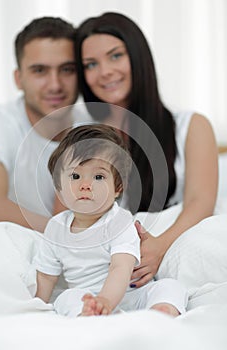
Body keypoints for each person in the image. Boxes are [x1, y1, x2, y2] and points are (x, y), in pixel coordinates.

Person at [75, 12, 219, 288]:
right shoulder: (83, 136)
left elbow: (201, 203)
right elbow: (70, 214)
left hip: (173, 239)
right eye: (91, 64)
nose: (104, 71)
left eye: (115, 56)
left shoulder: (190, 125)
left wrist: (159, 246)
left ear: (138, 58)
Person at [34, 124, 188, 317]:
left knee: (170, 287)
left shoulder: (119, 221)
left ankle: (160, 313)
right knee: (66, 297)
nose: (85, 185)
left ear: (117, 188)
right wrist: (36, 305)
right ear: (59, 186)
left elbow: (120, 267)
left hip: (132, 294)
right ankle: (89, 316)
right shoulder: (56, 228)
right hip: (88, 299)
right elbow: (47, 276)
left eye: (99, 176)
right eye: (75, 176)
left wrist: (106, 301)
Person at [0, 16, 87, 232]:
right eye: (39, 71)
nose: (55, 85)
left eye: (67, 70)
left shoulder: (94, 125)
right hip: (15, 251)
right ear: (18, 78)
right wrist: (64, 235)